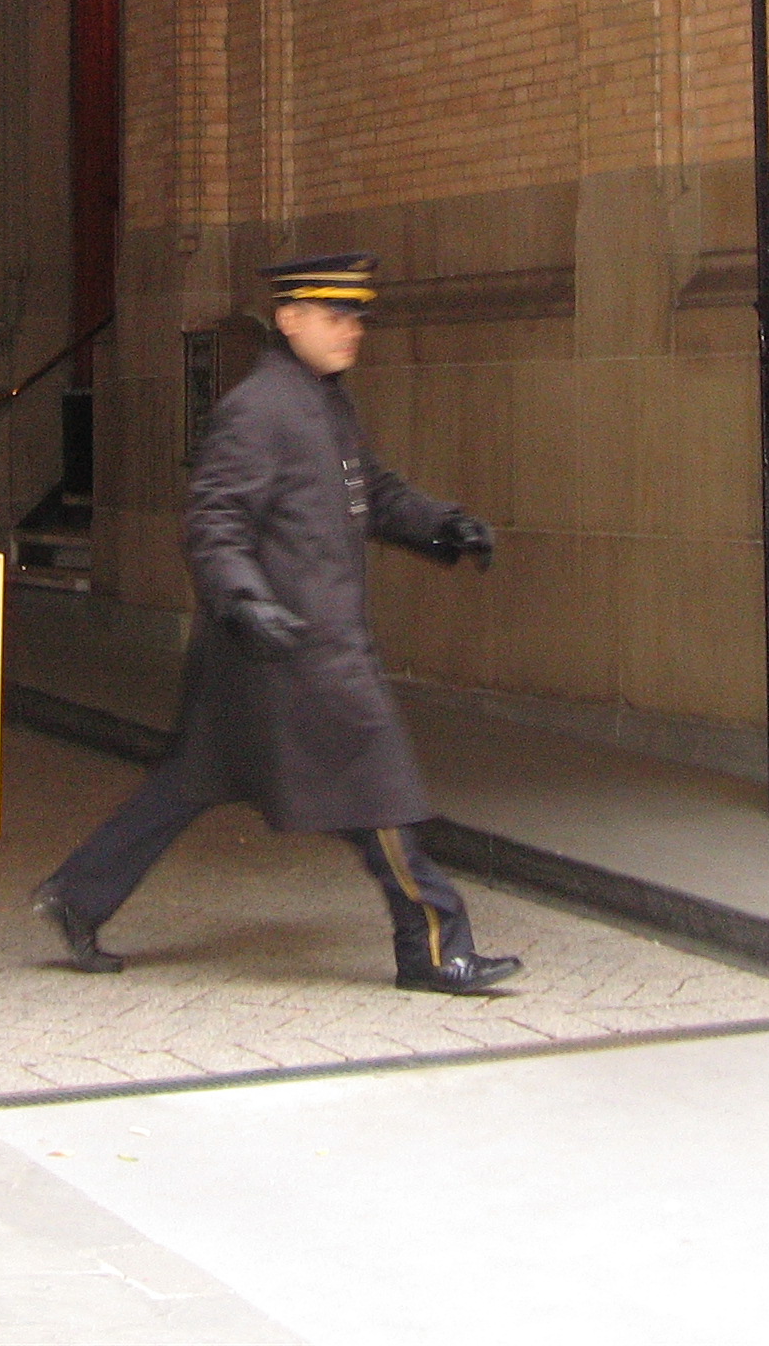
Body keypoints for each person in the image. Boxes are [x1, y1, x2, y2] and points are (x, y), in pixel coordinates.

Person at [31, 253, 518, 994]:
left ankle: (77, 895)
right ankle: (433, 946)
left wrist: (443, 527)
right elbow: (215, 519)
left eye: (356, 317)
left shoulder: (323, 400)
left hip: (268, 651)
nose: (352, 330)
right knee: (382, 793)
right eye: (335, 316)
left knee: (187, 784)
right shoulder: (260, 407)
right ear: (290, 319)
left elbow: (371, 491)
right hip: (297, 646)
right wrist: (243, 599)